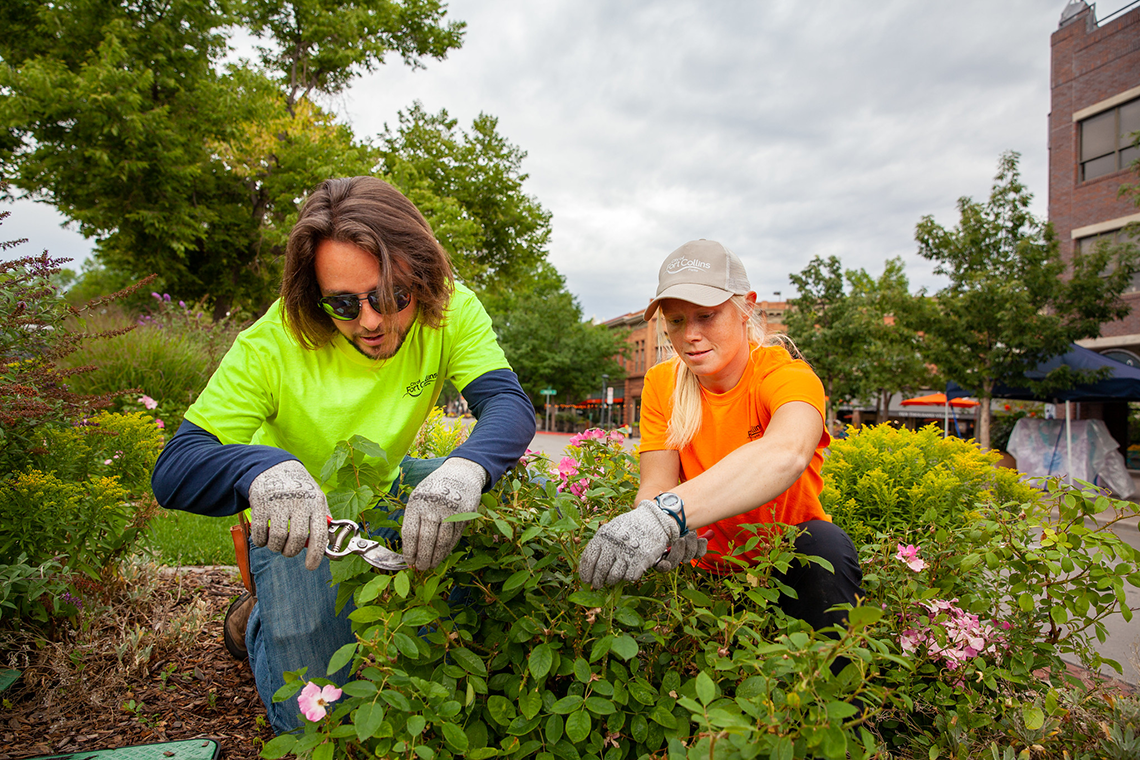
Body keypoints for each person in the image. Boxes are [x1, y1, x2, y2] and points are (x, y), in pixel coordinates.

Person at [151, 176, 535, 733]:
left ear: (421, 277)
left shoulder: (451, 308)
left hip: (384, 483)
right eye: (344, 304)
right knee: (317, 718)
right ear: (314, 295)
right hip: (297, 513)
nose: (372, 321)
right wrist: (263, 468)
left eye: (391, 296)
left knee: (511, 487)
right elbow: (175, 467)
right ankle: (260, 619)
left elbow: (505, 402)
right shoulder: (274, 341)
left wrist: (464, 470)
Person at [578, 239, 864, 638]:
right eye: (676, 321)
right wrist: (657, 526)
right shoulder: (662, 383)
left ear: (746, 306)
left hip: (784, 562)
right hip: (701, 567)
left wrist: (667, 515)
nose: (690, 335)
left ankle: (834, 689)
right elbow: (656, 484)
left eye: (707, 316)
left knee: (826, 543)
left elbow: (787, 452)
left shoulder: (786, 376)